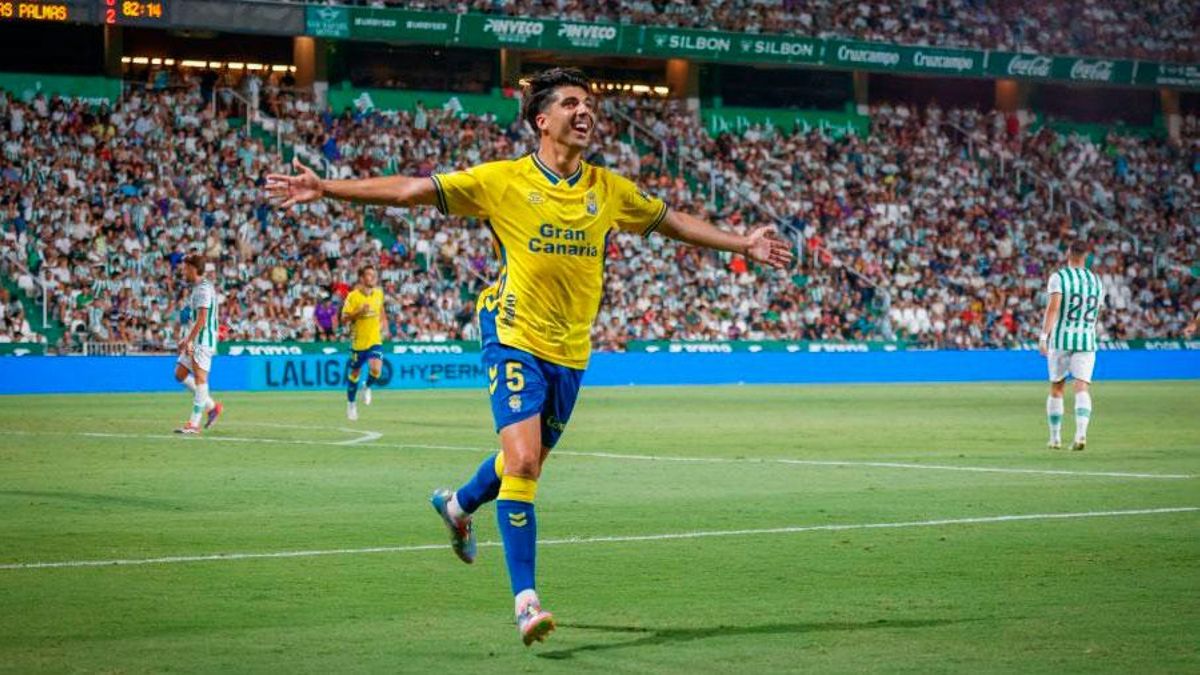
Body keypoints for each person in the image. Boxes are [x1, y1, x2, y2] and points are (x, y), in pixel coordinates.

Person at [266, 67, 793, 646]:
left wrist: (743, 243)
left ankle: (458, 505)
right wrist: (327, 187)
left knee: (526, 463)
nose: (584, 111)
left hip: (571, 351)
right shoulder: (502, 181)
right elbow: (412, 190)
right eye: (571, 103)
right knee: (521, 463)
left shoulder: (608, 189)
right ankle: (526, 601)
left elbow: (673, 223)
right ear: (542, 120)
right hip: (512, 332)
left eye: (589, 103)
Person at [1038, 240, 1105, 451]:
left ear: (1068, 253)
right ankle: (1081, 434)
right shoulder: (1096, 281)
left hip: (1061, 339)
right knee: (1081, 387)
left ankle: (1055, 438)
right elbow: (1098, 311)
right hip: (1087, 340)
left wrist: (1043, 337)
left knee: (1057, 387)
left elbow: (1053, 308)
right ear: (1086, 256)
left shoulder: (1059, 277)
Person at [173, 254, 222, 434]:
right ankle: (212, 406)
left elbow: (202, 319)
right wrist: (187, 338)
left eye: (185, 268)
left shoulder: (203, 289)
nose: (183, 272)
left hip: (203, 340)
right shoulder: (199, 287)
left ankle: (193, 424)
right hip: (196, 338)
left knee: (200, 379)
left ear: (193, 269)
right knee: (180, 374)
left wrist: (188, 340)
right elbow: (196, 318)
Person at [341, 265, 387, 421]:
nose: (372, 277)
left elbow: (381, 311)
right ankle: (351, 404)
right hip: (358, 342)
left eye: (374, 275)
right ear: (361, 278)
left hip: (374, 339)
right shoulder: (353, 296)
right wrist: (358, 312)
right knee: (355, 373)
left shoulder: (379, 293)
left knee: (376, 369)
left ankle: (366, 386)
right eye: (369, 275)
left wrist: (384, 325)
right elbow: (344, 319)